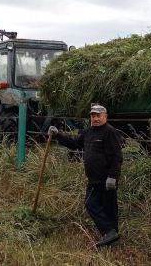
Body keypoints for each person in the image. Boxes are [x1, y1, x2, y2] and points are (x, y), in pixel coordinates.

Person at [48, 104, 123, 247]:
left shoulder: (109, 132)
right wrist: (58, 135)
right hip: (93, 178)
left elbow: (116, 157)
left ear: (105, 116)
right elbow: (75, 144)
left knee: (108, 206)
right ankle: (110, 233)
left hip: (107, 178)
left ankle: (110, 233)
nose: (95, 118)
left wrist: (113, 176)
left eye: (98, 116)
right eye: (93, 116)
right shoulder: (88, 132)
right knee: (92, 203)